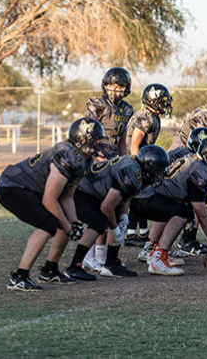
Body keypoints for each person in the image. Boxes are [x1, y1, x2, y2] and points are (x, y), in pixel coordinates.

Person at [0, 118, 101, 292]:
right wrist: (68, 227)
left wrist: (73, 222)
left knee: (64, 220)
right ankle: (19, 277)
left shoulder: (84, 159)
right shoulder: (67, 155)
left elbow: (67, 196)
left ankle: (49, 270)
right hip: (12, 186)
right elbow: (49, 200)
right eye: (96, 139)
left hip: (29, 188)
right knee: (48, 224)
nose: (99, 143)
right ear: (82, 139)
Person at [65, 145, 170, 281]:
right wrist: (114, 229)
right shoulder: (132, 171)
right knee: (99, 222)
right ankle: (75, 266)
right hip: (81, 191)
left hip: (93, 193)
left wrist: (124, 217)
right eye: (157, 172)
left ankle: (111, 263)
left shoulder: (136, 169)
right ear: (147, 165)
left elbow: (124, 195)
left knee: (114, 221)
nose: (158, 176)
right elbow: (106, 207)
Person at [132, 137, 207, 275]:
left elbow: (194, 203)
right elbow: (201, 215)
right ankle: (159, 258)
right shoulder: (199, 171)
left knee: (179, 208)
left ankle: (155, 252)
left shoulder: (194, 162)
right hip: (144, 199)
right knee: (184, 213)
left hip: (144, 197)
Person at [83, 67, 135, 272]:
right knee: (102, 209)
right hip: (97, 160)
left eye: (120, 86)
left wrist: (124, 161)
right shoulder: (97, 104)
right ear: (105, 86)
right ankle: (92, 256)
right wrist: (95, 155)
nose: (115, 90)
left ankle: (101, 257)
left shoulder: (128, 109)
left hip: (114, 161)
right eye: (111, 85)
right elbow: (87, 131)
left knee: (115, 208)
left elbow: (122, 138)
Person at [124, 83, 173, 247]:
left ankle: (142, 232)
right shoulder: (146, 117)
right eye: (163, 101)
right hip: (135, 159)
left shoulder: (151, 115)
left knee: (144, 194)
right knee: (139, 195)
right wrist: (136, 166)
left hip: (142, 160)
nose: (166, 105)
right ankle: (131, 234)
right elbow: (134, 144)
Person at [169, 127, 207, 256]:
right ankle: (185, 241)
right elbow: (198, 207)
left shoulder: (187, 155)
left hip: (161, 193)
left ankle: (158, 247)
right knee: (184, 208)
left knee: (187, 205)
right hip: (158, 196)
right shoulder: (196, 165)